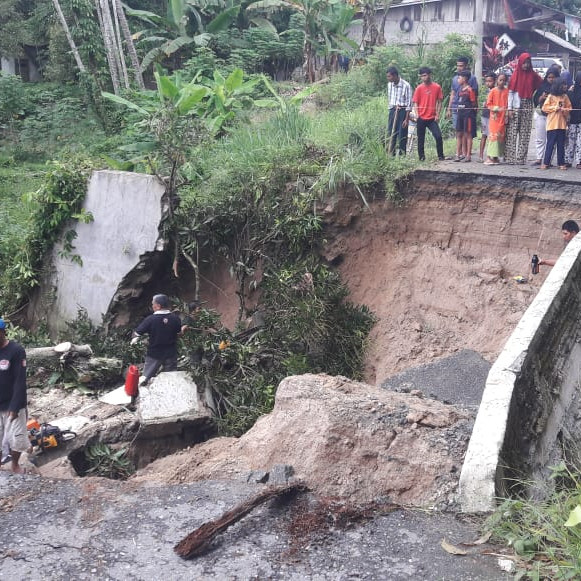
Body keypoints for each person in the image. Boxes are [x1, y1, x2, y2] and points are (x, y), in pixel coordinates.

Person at [132, 294, 182, 385]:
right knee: (171, 380)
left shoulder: (150, 320)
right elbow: (179, 334)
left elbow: (137, 334)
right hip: (171, 354)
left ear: (158, 306)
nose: (152, 306)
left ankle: (140, 396)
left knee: (145, 379)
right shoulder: (176, 319)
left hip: (154, 354)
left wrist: (138, 341)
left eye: (153, 304)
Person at [0, 318, 29, 474]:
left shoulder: (16, 351)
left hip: (13, 404)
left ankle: (15, 464)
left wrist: (15, 406)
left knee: (17, 439)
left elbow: (20, 381)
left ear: (3, 332)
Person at [506, 53, 543, 165]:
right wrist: (509, 109)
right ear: (520, 63)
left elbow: (542, 84)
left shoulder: (533, 75)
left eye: (528, 63)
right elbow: (511, 93)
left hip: (528, 104)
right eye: (524, 63)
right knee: (512, 131)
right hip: (515, 106)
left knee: (525, 132)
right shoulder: (515, 75)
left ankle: (521, 158)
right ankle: (510, 158)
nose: (526, 65)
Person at [447, 56, 479, 160]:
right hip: (457, 108)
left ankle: (466, 154)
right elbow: (452, 94)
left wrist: (475, 109)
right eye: (458, 65)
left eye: (461, 65)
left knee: (467, 133)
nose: (459, 67)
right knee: (459, 132)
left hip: (467, 111)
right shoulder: (455, 79)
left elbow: (474, 97)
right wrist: (449, 108)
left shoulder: (472, 79)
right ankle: (459, 153)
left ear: (466, 66)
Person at [412, 67, 446, 162]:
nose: (423, 78)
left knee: (438, 136)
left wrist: (437, 114)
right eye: (422, 76)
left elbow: (439, 102)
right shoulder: (419, 88)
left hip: (432, 118)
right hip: (421, 117)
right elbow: (415, 102)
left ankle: (441, 156)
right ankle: (421, 158)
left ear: (430, 75)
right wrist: (417, 114)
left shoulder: (437, 87)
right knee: (420, 139)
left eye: (425, 75)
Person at [541, 78, 571, 170]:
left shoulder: (565, 97)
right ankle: (546, 162)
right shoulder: (550, 96)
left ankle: (561, 163)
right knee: (550, 144)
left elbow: (569, 108)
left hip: (562, 125)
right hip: (552, 125)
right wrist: (555, 108)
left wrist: (564, 111)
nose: (566, 86)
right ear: (558, 86)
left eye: (566, 84)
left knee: (561, 145)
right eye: (564, 84)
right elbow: (544, 108)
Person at [532, 67, 560, 166]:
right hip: (541, 115)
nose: (551, 79)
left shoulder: (560, 89)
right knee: (540, 138)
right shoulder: (542, 87)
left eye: (554, 77)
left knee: (551, 139)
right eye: (549, 77)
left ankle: (548, 160)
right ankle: (539, 158)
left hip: (554, 117)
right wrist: (541, 98)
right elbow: (536, 101)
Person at [386, 66, 412, 156]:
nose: (388, 78)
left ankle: (402, 156)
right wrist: (391, 110)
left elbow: (409, 103)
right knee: (391, 133)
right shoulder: (390, 85)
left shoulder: (406, 85)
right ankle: (391, 155)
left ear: (395, 76)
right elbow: (390, 99)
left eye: (389, 76)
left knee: (402, 135)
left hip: (403, 111)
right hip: (393, 110)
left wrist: (406, 118)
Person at [484, 73, 509, 165]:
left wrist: (506, 115)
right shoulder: (493, 91)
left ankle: (495, 157)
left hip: (502, 117)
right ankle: (488, 157)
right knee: (493, 136)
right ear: (497, 81)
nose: (502, 82)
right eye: (500, 80)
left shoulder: (507, 91)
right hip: (494, 118)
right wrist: (496, 108)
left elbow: (508, 104)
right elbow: (488, 104)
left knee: (500, 137)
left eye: (503, 80)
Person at [455, 71, 477, 163]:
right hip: (460, 114)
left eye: (459, 78)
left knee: (468, 134)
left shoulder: (470, 90)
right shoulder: (459, 89)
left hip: (467, 115)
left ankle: (468, 155)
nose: (458, 80)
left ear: (464, 79)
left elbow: (473, 103)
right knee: (459, 134)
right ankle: (458, 154)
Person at [565, 72, 581, 169]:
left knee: (580, 141)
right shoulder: (570, 92)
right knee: (570, 141)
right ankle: (568, 160)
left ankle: (579, 161)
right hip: (572, 121)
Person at [479, 73, 496, 162]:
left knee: (491, 136)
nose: (488, 83)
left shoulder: (496, 91)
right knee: (484, 135)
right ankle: (481, 155)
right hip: (485, 115)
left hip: (493, 116)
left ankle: (490, 155)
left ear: (494, 81)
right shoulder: (485, 92)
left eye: (490, 81)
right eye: (486, 81)